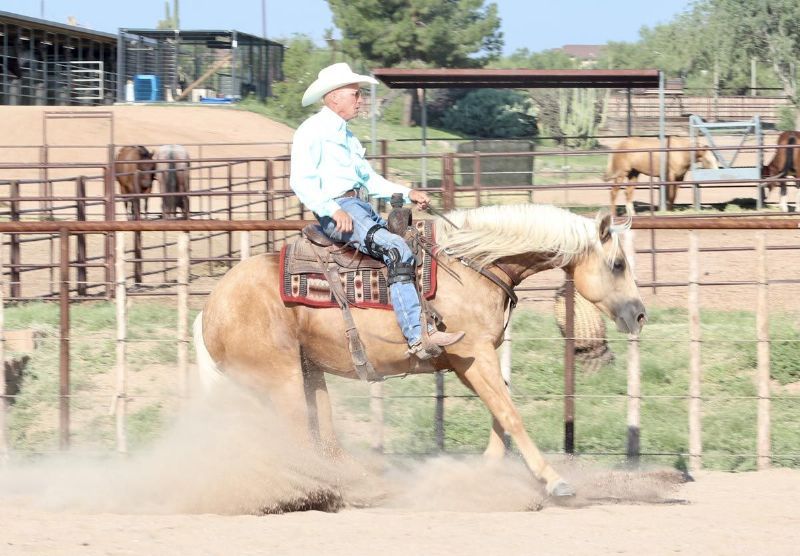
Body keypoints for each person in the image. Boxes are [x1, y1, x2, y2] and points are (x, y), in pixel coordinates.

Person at [290, 63, 464, 360]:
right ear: (334, 98)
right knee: (396, 248)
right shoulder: (312, 131)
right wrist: (331, 209)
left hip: (358, 207)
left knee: (414, 243)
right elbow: (301, 180)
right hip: (340, 209)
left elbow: (369, 180)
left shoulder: (347, 137)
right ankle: (417, 337)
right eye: (355, 94)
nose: (361, 100)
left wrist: (407, 191)